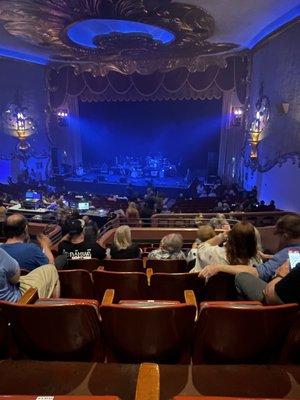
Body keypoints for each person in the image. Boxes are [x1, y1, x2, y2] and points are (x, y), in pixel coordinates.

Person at [200, 214, 300, 288]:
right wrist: (271, 257)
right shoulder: (257, 259)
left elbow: (201, 248)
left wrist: (222, 236)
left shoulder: (213, 253)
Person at [195, 221, 261, 273]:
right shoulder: (257, 261)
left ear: (231, 238)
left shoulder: (217, 253)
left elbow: (201, 248)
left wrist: (220, 237)